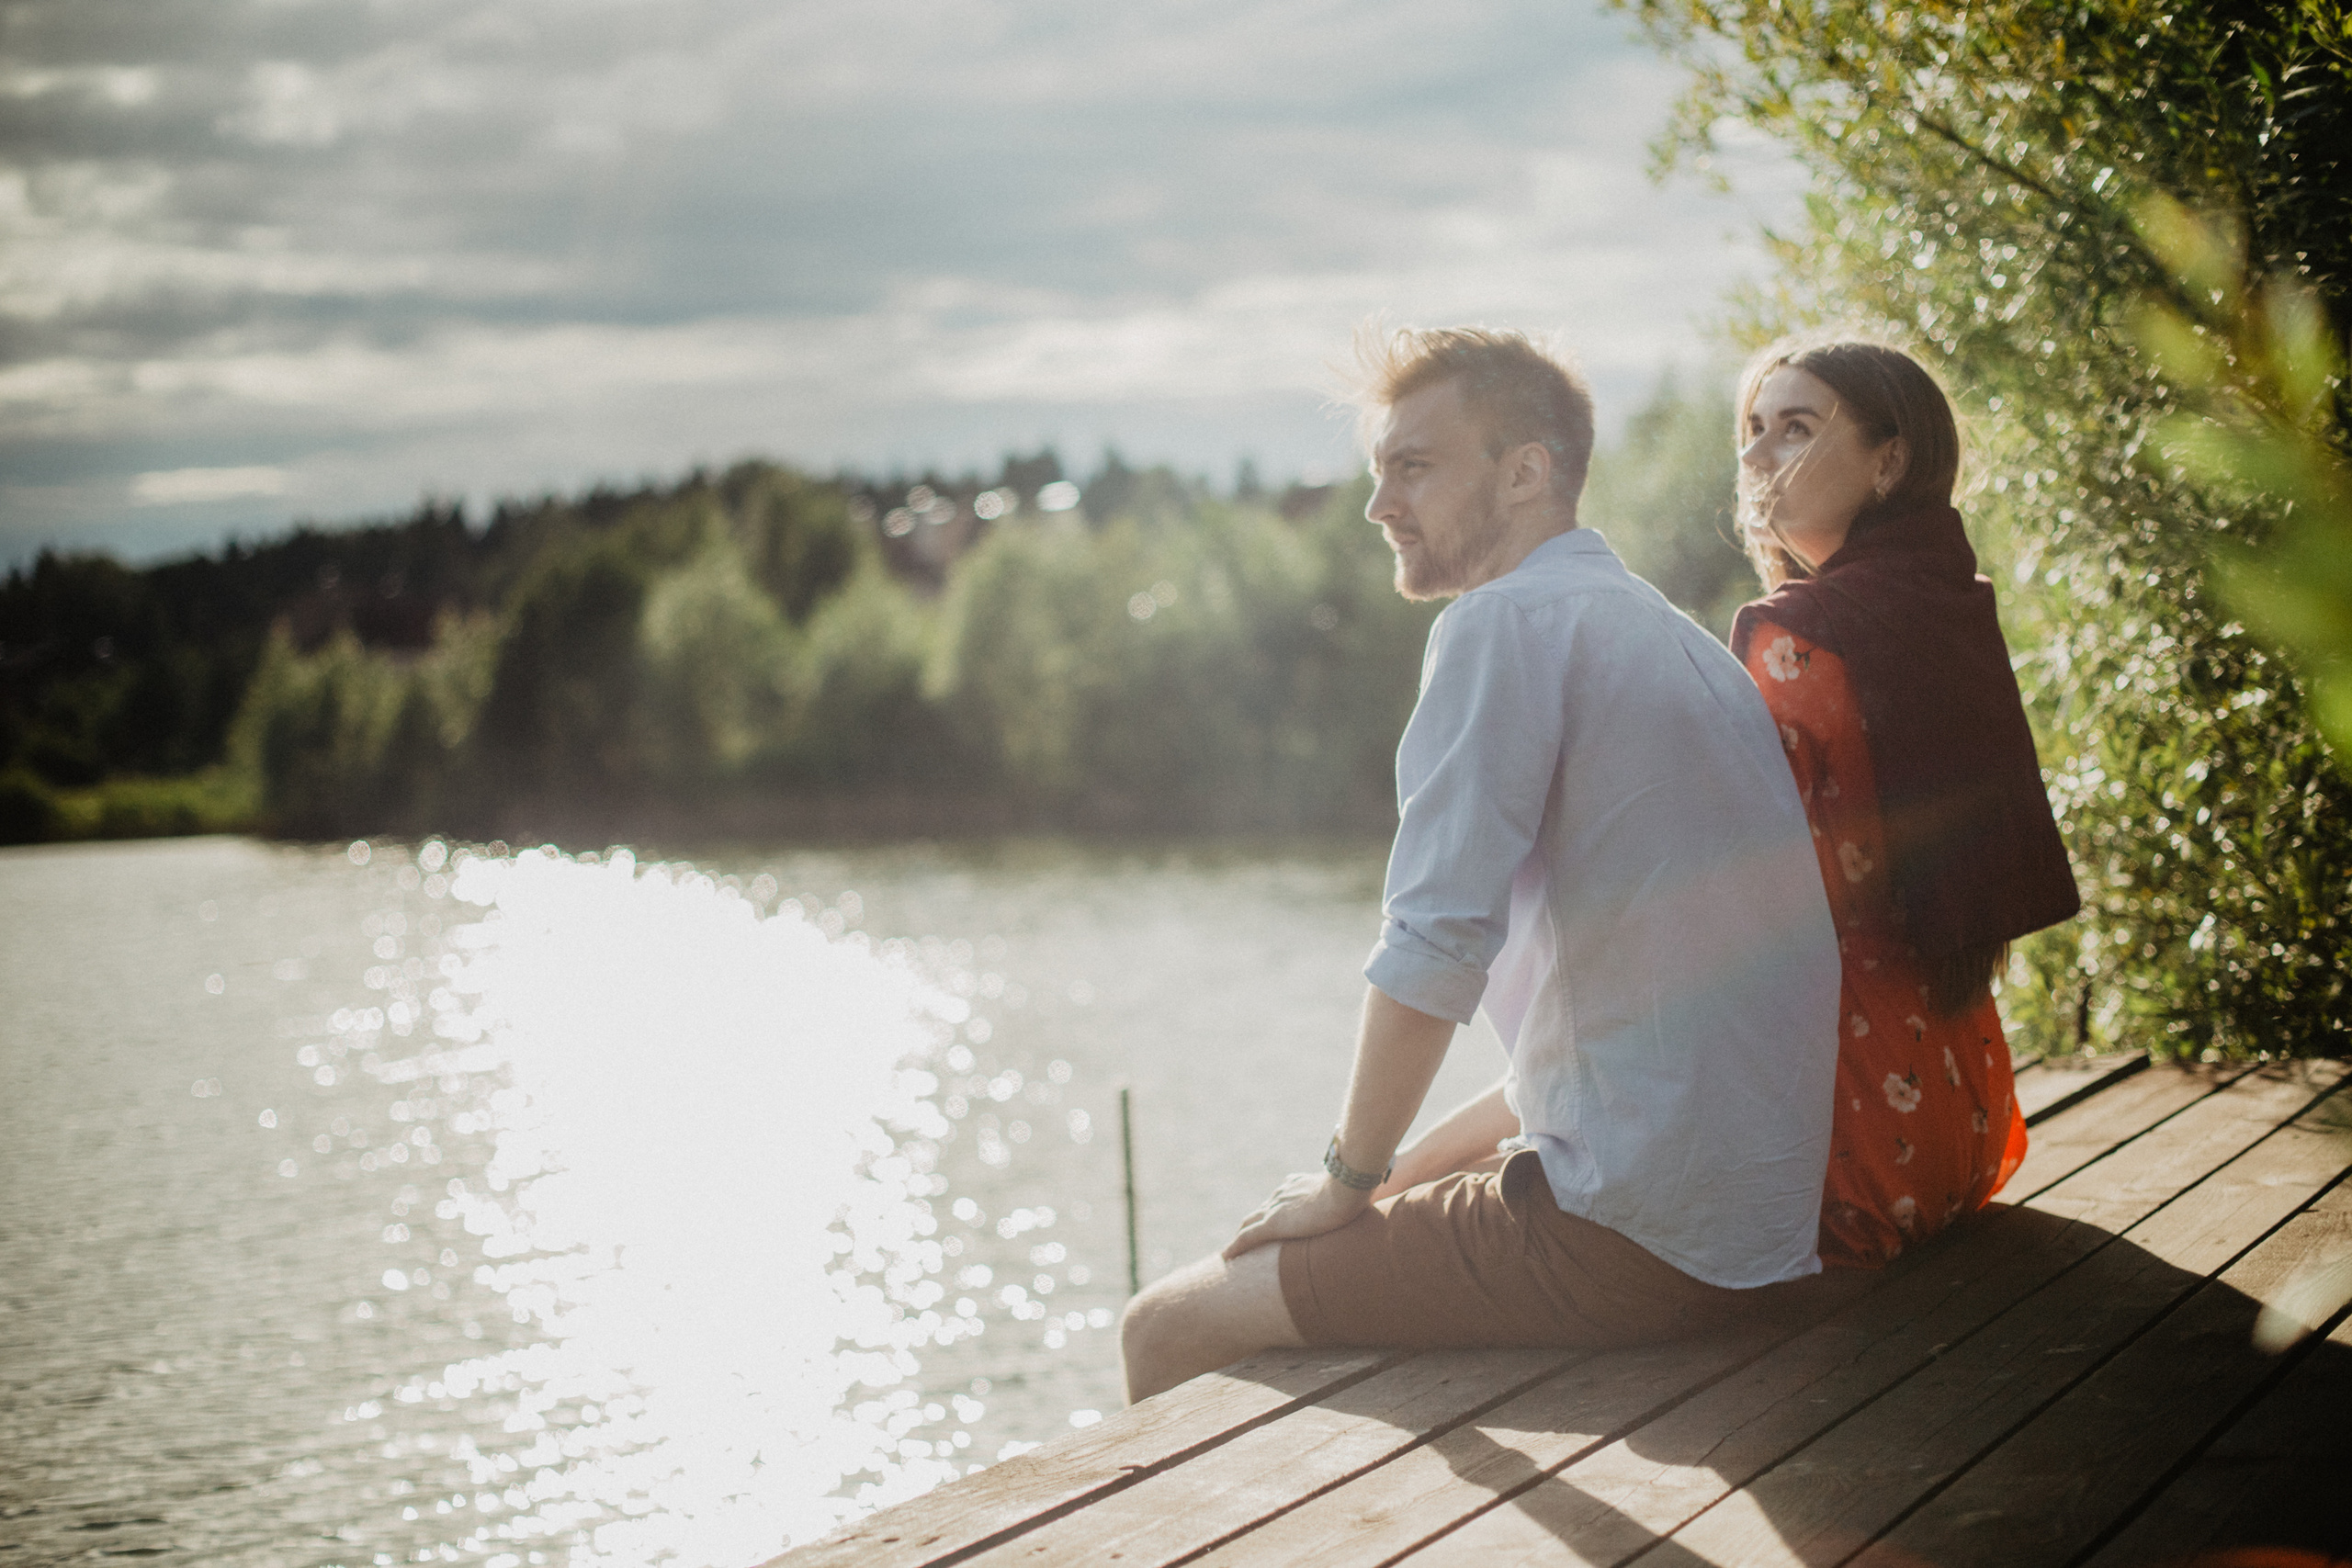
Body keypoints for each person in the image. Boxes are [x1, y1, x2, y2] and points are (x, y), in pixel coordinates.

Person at [1118, 326, 1844, 1403]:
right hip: (1756, 1231)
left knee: (1165, 1327)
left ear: (1524, 472)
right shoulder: (1665, 635)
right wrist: (1386, 1183)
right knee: (1316, 1251)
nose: (1378, 507)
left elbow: (1433, 946)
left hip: (1631, 1241)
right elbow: (1600, 1043)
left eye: (1412, 466)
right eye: (1378, 471)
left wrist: (1345, 1181)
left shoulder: (1503, 625)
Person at [1728, 338, 2080, 1268]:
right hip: (1961, 1125)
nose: (1757, 456)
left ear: (1890, 459)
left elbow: (1739, 898)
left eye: (1794, 428)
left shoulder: (1797, 637)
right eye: (1752, 430)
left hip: (1840, 1147)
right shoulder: (1947, 602)